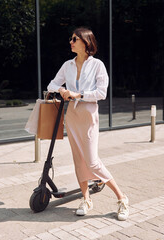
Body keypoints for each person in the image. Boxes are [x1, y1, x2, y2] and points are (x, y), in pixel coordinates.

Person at [47, 27, 129, 221]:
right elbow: (51, 85)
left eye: (74, 39)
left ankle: (122, 198)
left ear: (86, 42)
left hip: (89, 116)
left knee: (92, 161)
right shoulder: (67, 65)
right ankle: (86, 199)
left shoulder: (98, 65)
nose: (71, 42)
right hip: (72, 116)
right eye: (71, 38)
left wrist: (79, 94)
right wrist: (62, 90)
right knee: (79, 160)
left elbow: (102, 93)